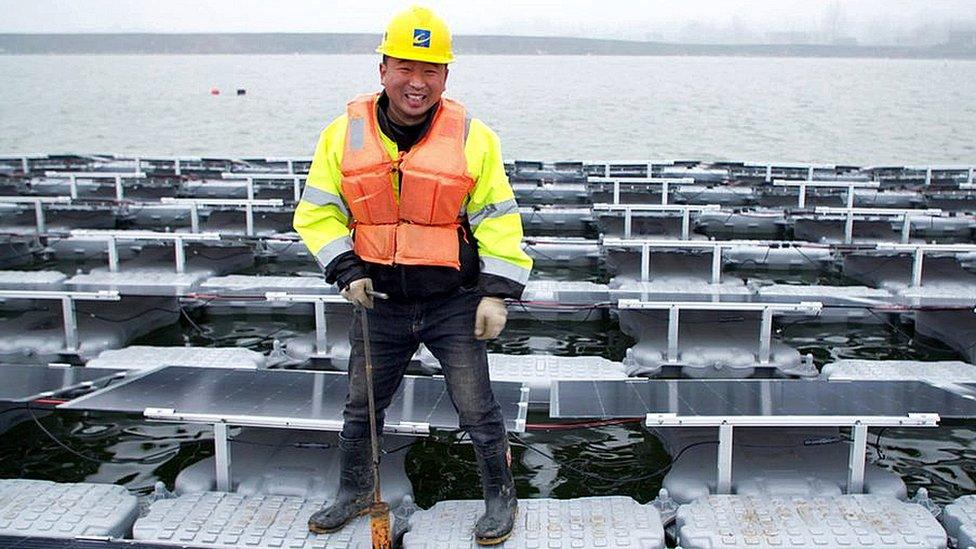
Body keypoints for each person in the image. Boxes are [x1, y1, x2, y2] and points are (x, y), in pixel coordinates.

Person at [292, 5, 532, 545]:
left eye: (430, 70)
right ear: (383, 70)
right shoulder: (340, 135)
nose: (416, 82)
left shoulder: (475, 138)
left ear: (446, 76)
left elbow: (498, 218)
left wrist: (496, 294)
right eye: (405, 67)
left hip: (454, 301)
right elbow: (316, 212)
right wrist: (344, 268)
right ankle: (354, 490)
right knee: (362, 407)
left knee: (477, 407)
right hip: (378, 301)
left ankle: (500, 497)